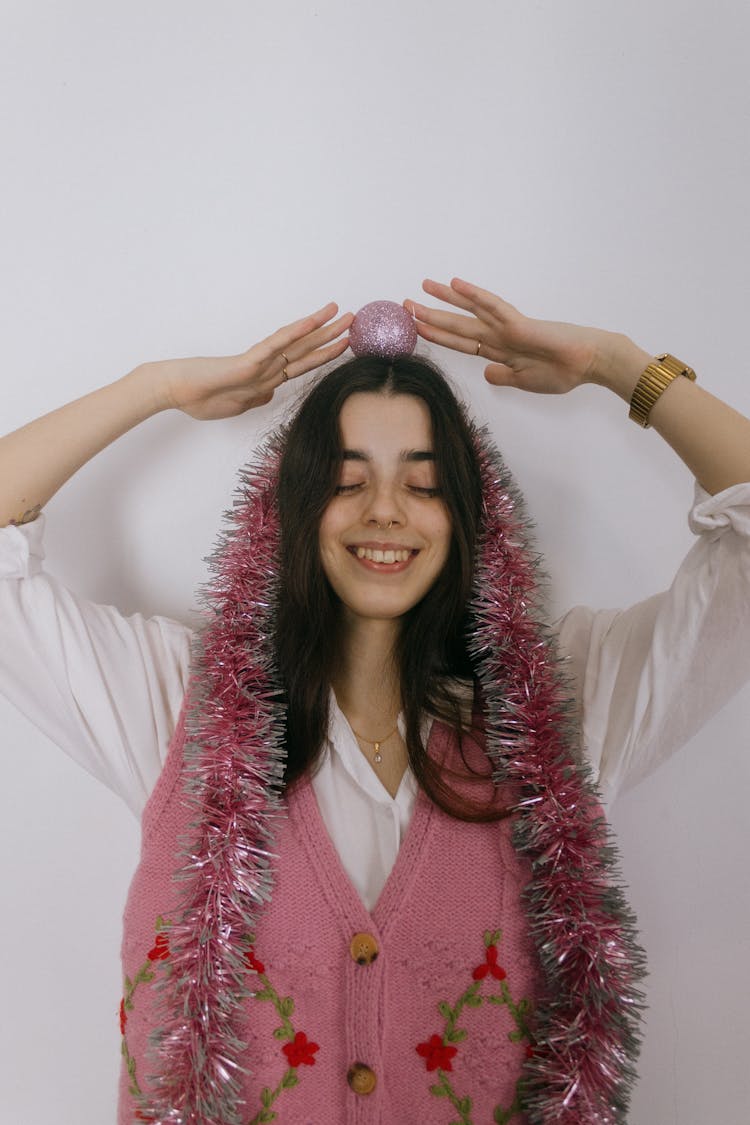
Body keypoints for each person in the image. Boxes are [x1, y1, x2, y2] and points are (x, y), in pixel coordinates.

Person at [1, 277, 749, 1125]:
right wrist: (157, 387)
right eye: (348, 480)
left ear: (470, 515)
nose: (385, 511)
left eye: (423, 484)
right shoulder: (180, 702)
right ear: (294, 506)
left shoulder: (558, 714)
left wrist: (620, 365)